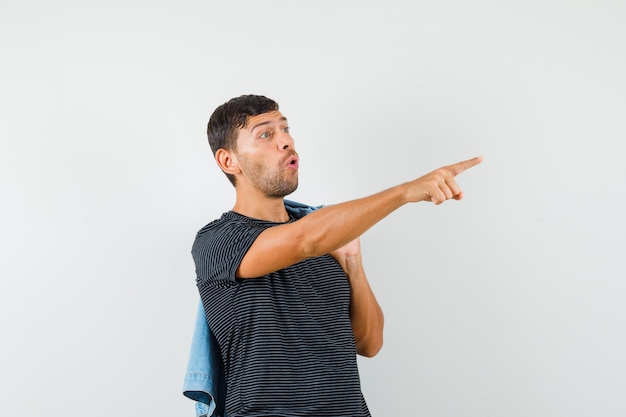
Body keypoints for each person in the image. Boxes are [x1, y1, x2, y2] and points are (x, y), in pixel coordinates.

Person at [191, 94, 483, 417]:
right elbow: (303, 241)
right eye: (265, 134)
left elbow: (370, 342)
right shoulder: (217, 242)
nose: (286, 141)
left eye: (285, 129)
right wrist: (405, 192)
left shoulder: (328, 236)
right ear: (229, 161)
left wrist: (353, 265)